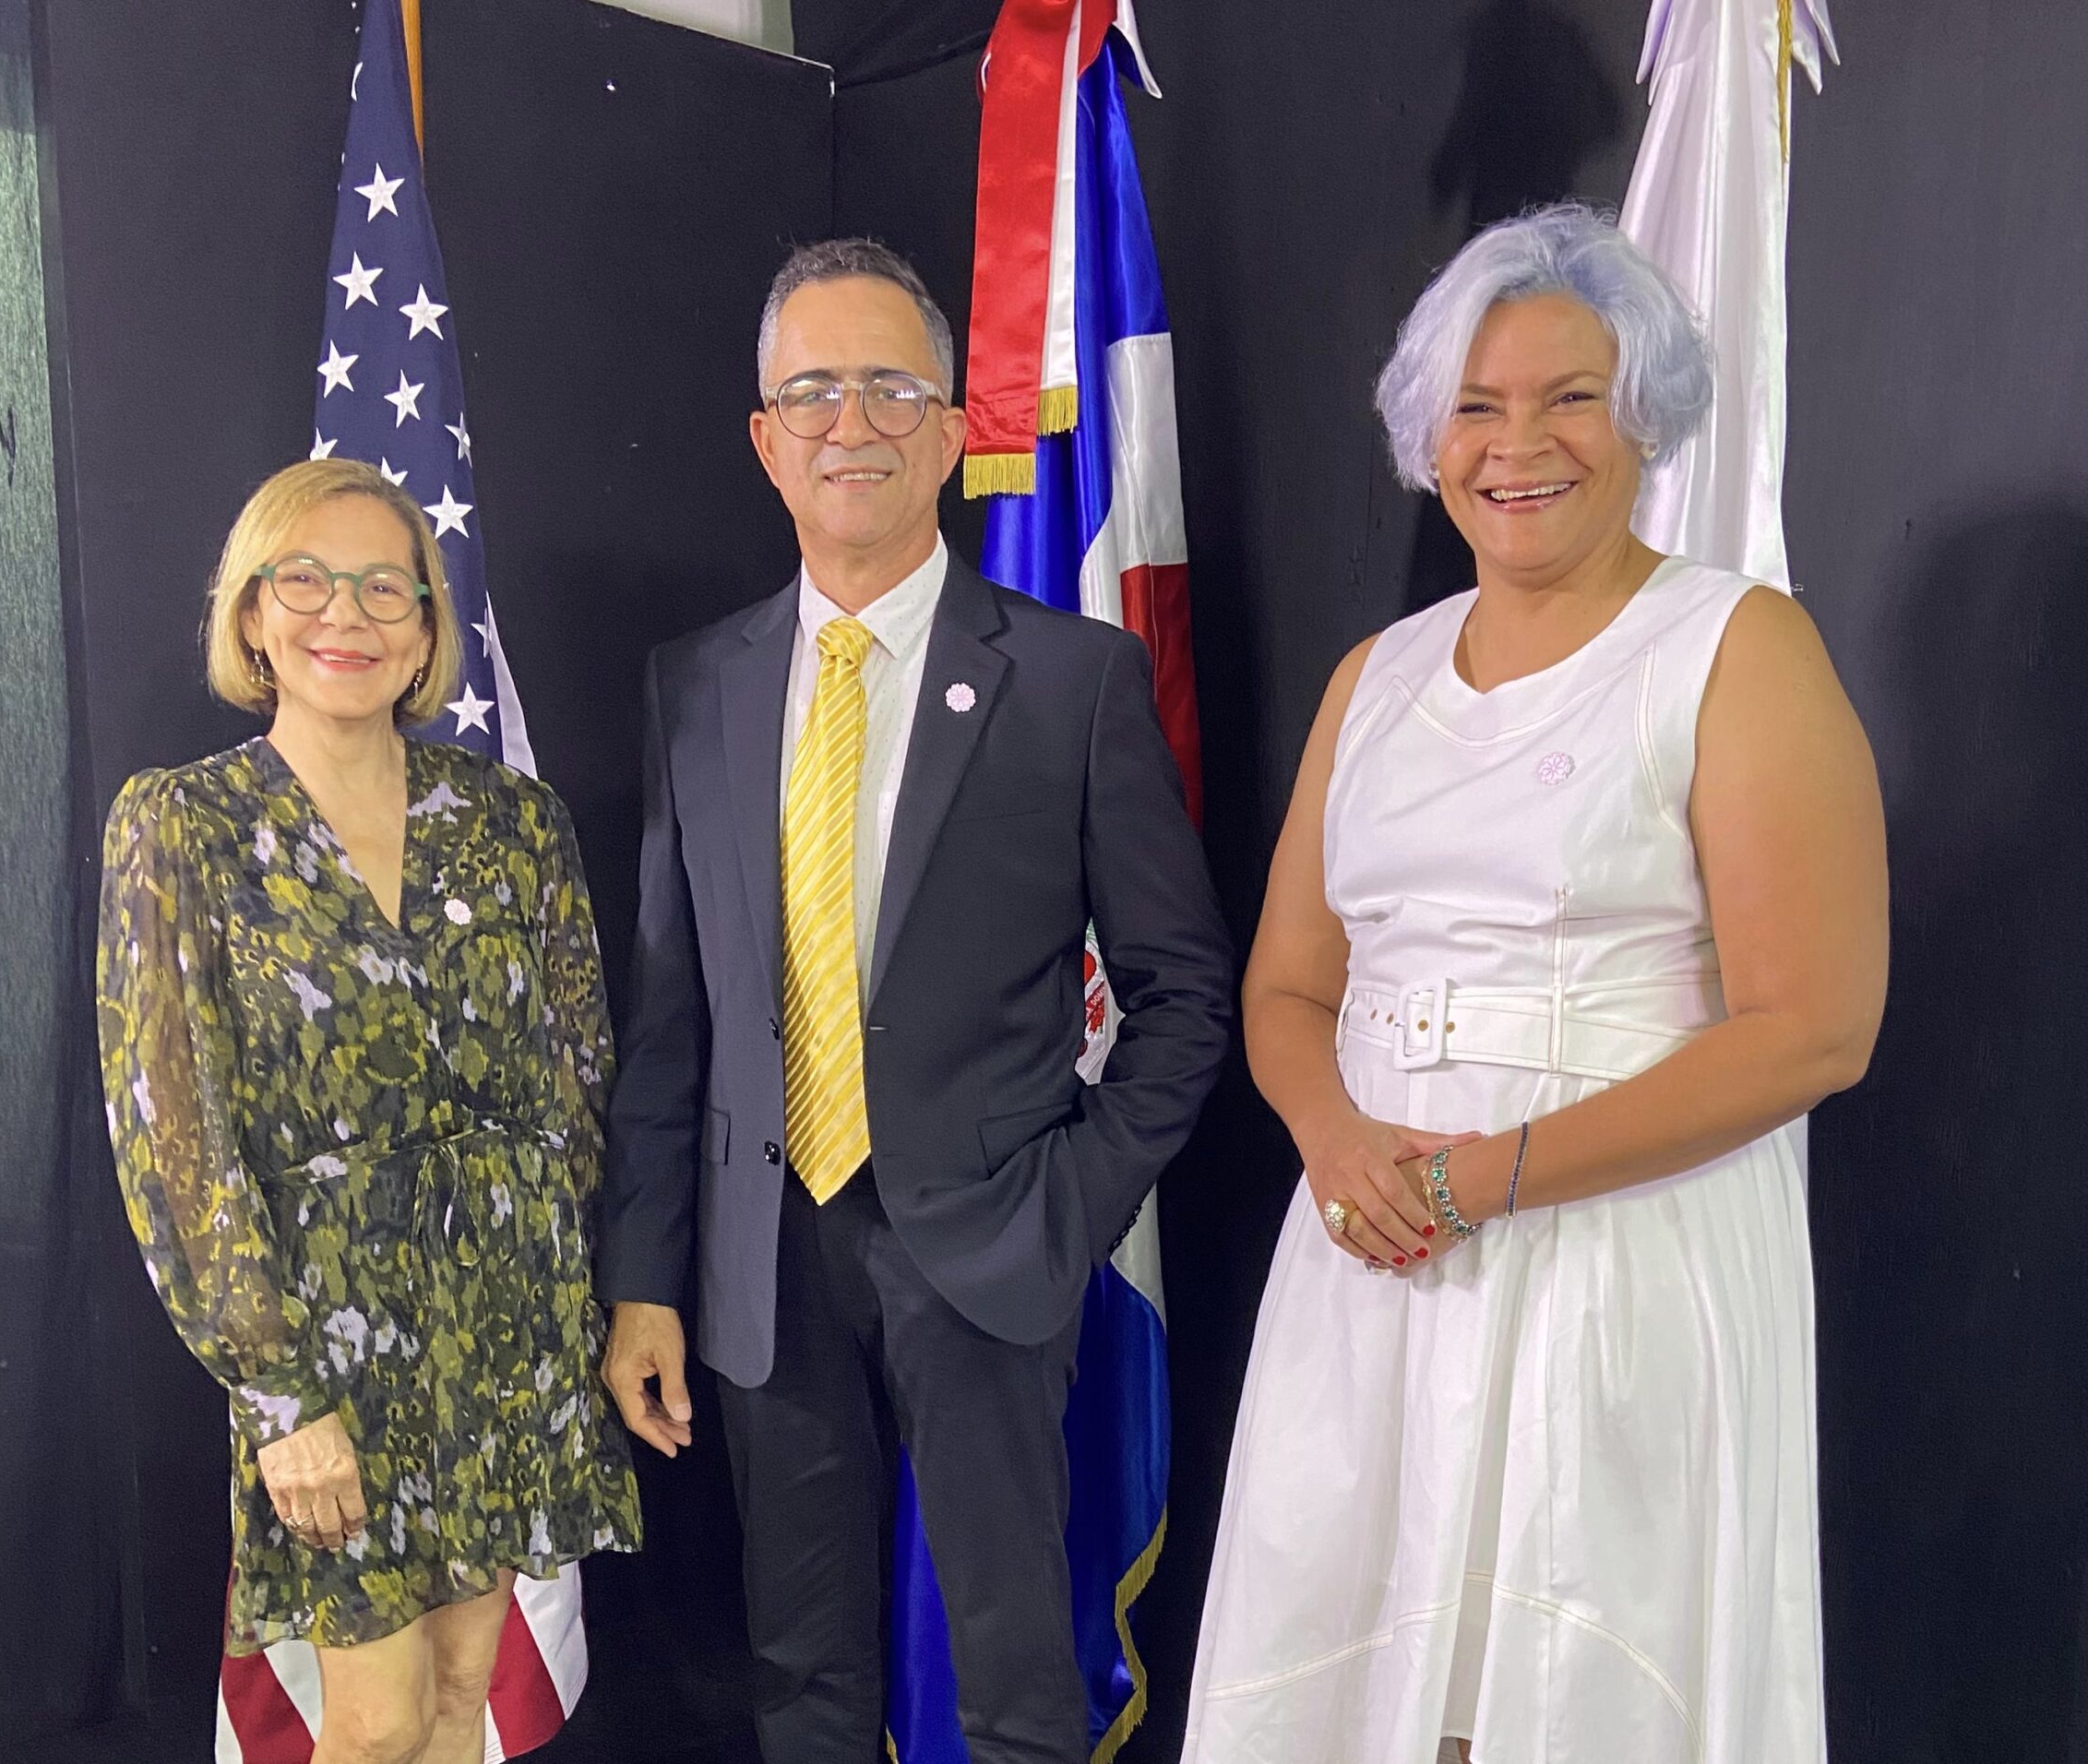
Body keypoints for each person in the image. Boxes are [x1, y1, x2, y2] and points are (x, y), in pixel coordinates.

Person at [1182, 205, 1887, 1763]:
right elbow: (1288, 988)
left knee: (1573, 1693)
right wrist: (1338, 1147)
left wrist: (1484, 1177)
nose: (1519, 445)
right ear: (1427, 435)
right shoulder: (1376, 677)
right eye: (1477, 406)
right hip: (1372, 1250)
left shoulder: (1738, 649)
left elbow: (1816, 1028)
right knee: (1351, 1682)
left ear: (1646, 414)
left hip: (1617, 1257)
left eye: (1571, 397)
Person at [595, 238, 1233, 1764]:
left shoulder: (1072, 681)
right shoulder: (696, 685)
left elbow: (1184, 993)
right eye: (812, 391)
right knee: (801, 1674)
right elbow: (673, 1020)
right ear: (765, 440)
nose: (852, 423)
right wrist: (644, 1276)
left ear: (952, 432)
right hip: (762, 1259)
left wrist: (1071, 1198)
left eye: (891, 387)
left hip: (993, 1246)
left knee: (1015, 1682)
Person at [96, 459, 640, 1764]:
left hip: (507, 1326)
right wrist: (278, 1391)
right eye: (307, 580)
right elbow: (174, 1139)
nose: (346, 613)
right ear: (252, 614)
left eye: (384, 588)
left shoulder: (514, 823)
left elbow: (580, 1076)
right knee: (377, 1723)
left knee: (460, 1702)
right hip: (326, 1346)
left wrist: (573, 1304)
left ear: (427, 629)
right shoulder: (184, 826)